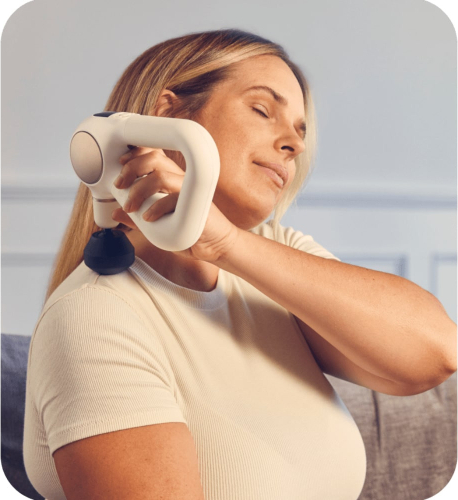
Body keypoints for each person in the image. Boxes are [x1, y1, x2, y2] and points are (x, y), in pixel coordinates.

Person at [23, 28, 456, 500]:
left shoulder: (271, 253)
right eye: (263, 110)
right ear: (166, 118)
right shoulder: (93, 317)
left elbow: (435, 353)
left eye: (300, 131)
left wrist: (228, 244)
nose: (294, 145)